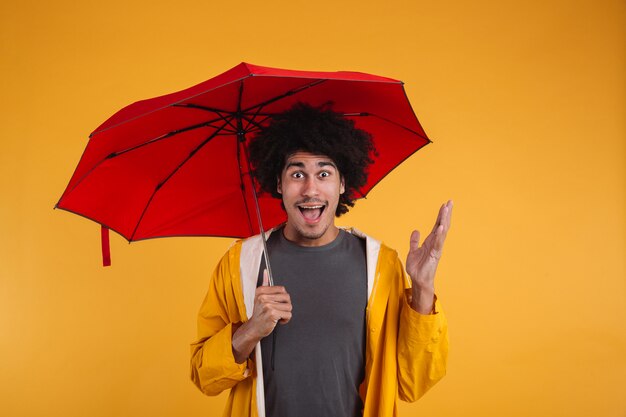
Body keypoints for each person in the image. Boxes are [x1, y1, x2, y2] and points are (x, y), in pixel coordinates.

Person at [190, 103, 451, 417]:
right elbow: (204, 376)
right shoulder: (239, 264)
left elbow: (413, 382)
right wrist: (250, 330)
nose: (310, 189)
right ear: (278, 184)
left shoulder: (380, 264)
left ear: (342, 184)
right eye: (297, 173)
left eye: (323, 173)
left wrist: (422, 288)